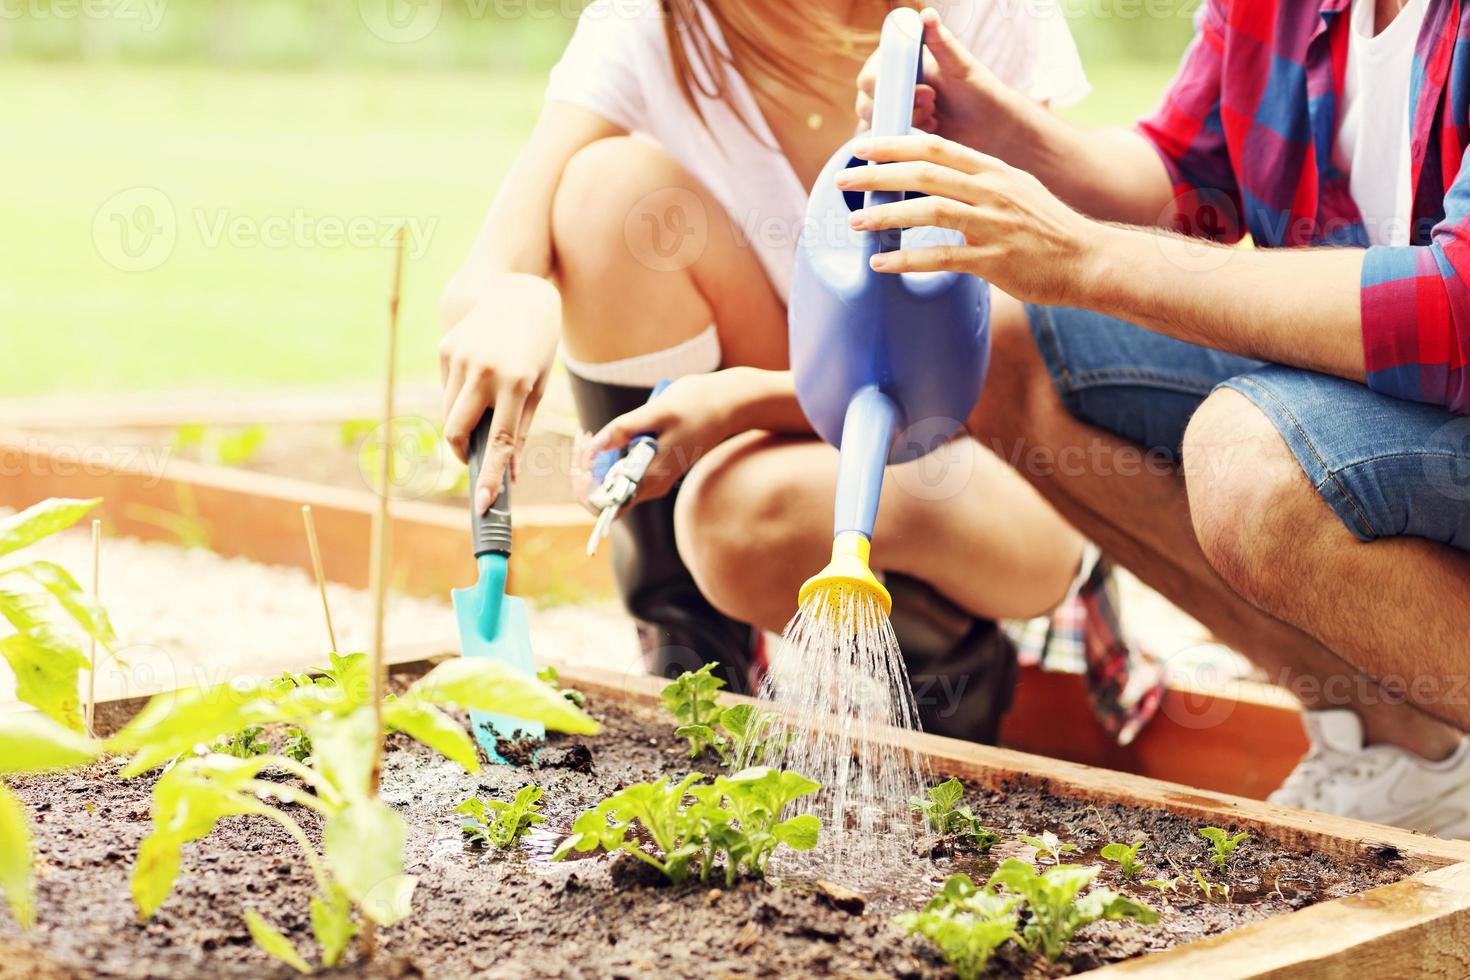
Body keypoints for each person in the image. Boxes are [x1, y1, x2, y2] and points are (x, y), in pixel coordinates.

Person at [663, 0, 1470, 835]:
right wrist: (1004, 134)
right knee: (1013, 343)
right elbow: (1183, 176)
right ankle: (1406, 751)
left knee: (1256, 461)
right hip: (1389, 401)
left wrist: (1083, 258)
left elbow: (1456, 310)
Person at [439, 0, 1095, 742]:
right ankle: (693, 672)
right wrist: (512, 297)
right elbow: (487, 270)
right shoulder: (660, 23)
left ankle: (949, 681)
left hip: (979, 461)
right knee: (607, 192)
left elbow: (1020, 355)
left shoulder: (976, 19)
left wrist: (741, 402)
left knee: (739, 517)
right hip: (803, 438)